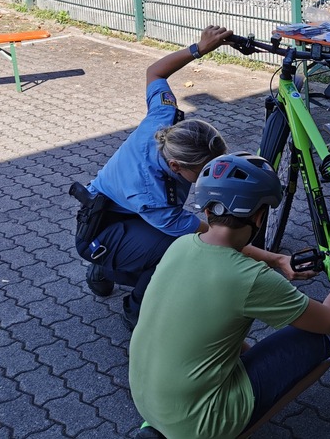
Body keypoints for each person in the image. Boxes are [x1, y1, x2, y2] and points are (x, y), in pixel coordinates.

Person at [73, 26, 306, 331]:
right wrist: (274, 260)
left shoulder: (165, 120)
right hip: (101, 228)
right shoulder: (152, 194)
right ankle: (136, 311)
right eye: (203, 172)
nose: (210, 177)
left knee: (151, 238)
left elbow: (154, 72)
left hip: (121, 209)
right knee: (174, 251)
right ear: (175, 166)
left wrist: (199, 48)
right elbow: (213, 235)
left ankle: (106, 268)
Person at [129, 152, 330, 439]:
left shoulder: (182, 245)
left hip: (148, 404)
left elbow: (226, 245)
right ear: (259, 217)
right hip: (196, 424)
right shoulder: (250, 278)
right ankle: (232, 429)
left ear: (207, 210)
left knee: (226, 335)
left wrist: (277, 260)